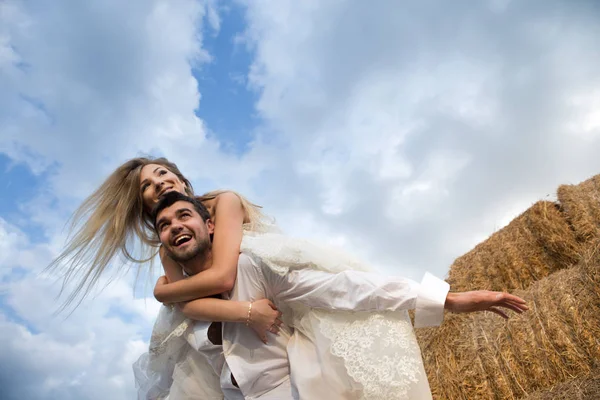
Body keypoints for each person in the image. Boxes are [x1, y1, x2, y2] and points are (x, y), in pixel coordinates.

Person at [49, 157, 527, 399]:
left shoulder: (235, 226)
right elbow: (188, 304)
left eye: (163, 177)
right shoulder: (173, 280)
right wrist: (172, 294)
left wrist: (447, 299)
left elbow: (338, 288)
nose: (160, 191)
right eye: (152, 196)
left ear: (205, 216)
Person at [152, 191, 528, 399]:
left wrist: (446, 299)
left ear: (210, 224)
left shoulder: (251, 266)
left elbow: (341, 288)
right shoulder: (182, 309)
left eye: (184, 215)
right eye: (165, 226)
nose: (175, 227)